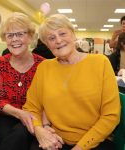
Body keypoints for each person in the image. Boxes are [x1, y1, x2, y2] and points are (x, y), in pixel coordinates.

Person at [23, 14, 120, 150]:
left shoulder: (100, 63)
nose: (58, 40)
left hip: (95, 141)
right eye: (51, 38)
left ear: (73, 35)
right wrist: (40, 130)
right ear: (47, 44)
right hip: (55, 140)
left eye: (62, 33)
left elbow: (111, 115)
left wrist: (80, 147)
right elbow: (31, 106)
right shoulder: (44, 67)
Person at [0, 12, 46, 150]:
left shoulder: (43, 65)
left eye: (20, 34)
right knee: (17, 135)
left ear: (30, 36)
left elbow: (48, 100)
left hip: (35, 116)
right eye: (10, 35)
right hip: (7, 115)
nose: (15, 39)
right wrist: (20, 114)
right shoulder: (0, 63)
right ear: (5, 39)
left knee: (23, 135)